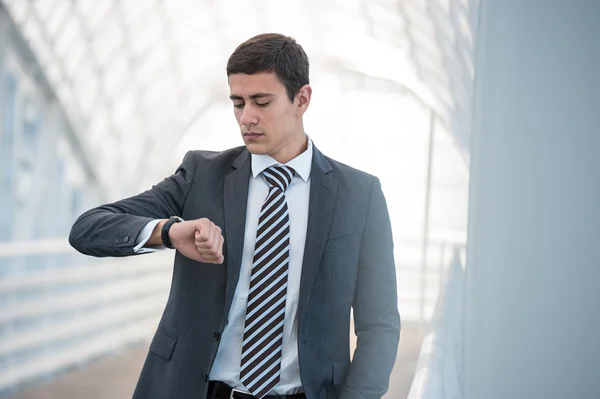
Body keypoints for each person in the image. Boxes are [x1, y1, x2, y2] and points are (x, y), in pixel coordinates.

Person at [69, 33, 400, 399]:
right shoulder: (202, 174)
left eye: (261, 102)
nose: (247, 118)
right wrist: (169, 233)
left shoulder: (360, 195)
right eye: (237, 103)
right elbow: (89, 228)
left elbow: (380, 324)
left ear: (302, 99)